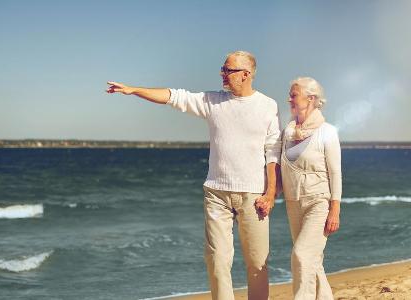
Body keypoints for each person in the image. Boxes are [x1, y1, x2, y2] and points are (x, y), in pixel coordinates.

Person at [106, 50, 281, 300]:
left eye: (227, 70)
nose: (222, 74)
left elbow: (273, 151)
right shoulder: (212, 101)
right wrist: (134, 90)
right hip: (216, 193)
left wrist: (271, 192)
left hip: (253, 195)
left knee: (257, 264)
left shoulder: (267, 105)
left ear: (246, 74)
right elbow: (172, 96)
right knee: (217, 261)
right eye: (222, 68)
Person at [281, 77, 341, 299]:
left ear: (311, 98)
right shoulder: (287, 132)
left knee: (302, 256)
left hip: (319, 202)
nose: (289, 98)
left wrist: (334, 209)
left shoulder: (328, 132)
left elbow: (335, 173)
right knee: (313, 262)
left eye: (294, 94)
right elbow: (277, 164)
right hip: (293, 202)